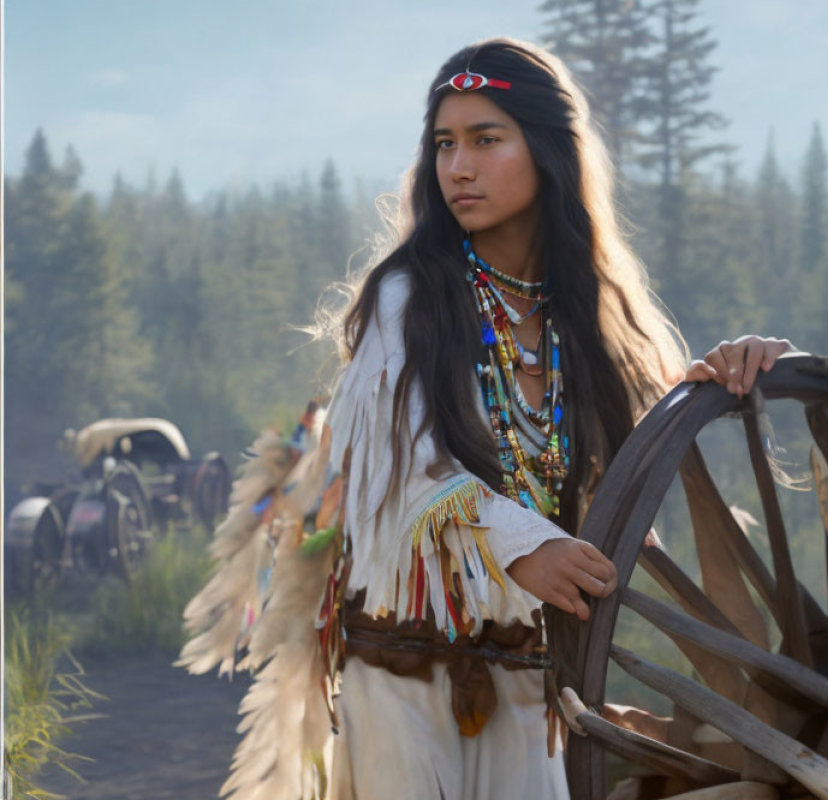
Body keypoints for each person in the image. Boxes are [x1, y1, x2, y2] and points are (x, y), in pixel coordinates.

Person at [178, 37, 790, 800]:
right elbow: (392, 471)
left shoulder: (585, 321)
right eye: (444, 143)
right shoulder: (407, 301)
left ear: (547, 149)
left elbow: (631, 463)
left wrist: (716, 376)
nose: (457, 167)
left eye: (485, 139)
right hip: (405, 683)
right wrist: (519, 544)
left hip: (530, 682)